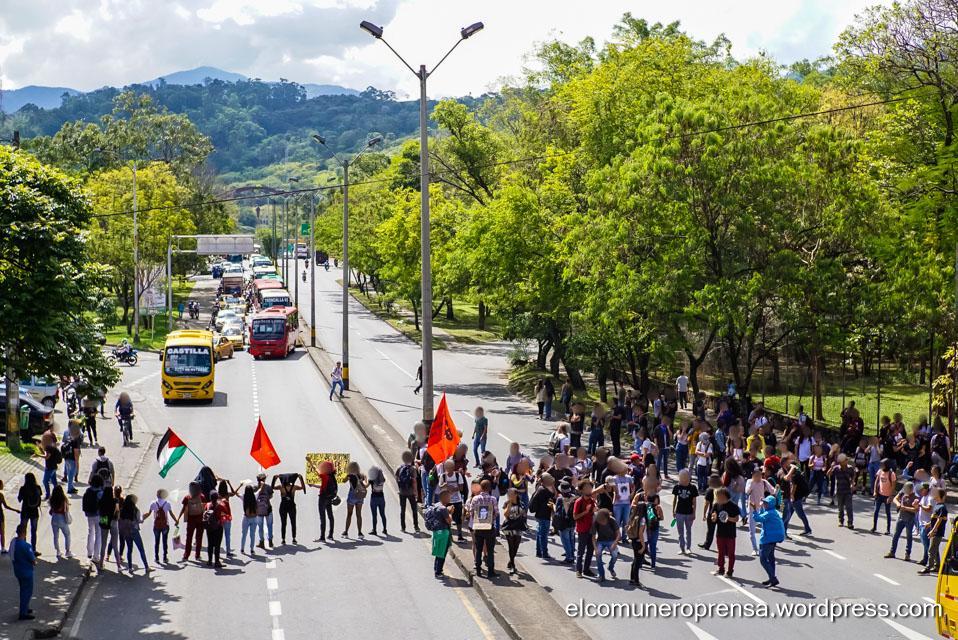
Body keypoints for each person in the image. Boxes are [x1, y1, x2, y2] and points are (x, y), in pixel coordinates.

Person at [753, 495, 785, 587]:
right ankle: (771, 577)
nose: (764, 504)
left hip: (767, 540)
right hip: (773, 539)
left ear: (770, 504)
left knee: (763, 559)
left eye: (766, 503)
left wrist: (754, 510)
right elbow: (763, 515)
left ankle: (773, 578)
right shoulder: (773, 512)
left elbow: (758, 518)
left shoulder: (769, 514)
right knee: (771, 559)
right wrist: (761, 507)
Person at [711, 487, 741, 577]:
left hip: (730, 534)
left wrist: (728, 518)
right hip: (720, 532)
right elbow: (713, 518)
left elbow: (737, 519)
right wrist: (713, 518)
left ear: (723, 496)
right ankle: (721, 569)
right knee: (720, 552)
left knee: (731, 553)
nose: (716, 498)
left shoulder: (733, 506)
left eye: (717, 496)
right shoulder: (716, 505)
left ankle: (730, 571)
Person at [886, 481, 919, 561]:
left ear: (911, 489)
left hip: (909, 519)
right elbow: (895, 499)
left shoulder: (915, 498)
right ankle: (892, 552)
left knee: (909, 537)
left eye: (907, 489)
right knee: (895, 535)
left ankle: (907, 554)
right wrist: (898, 504)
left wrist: (905, 508)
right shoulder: (903, 494)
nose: (906, 491)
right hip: (900, 517)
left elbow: (916, 510)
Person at [920, 488, 948, 575]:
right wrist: (929, 524)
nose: (933, 494)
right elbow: (935, 519)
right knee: (934, 549)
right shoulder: (937, 505)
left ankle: (928, 567)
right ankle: (937, 566)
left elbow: (939, 520)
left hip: (937, 532)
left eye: (935, 493)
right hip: (934, 531)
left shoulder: (942, 507)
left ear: (940, 496)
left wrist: (933, 530)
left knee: (931, 550)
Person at [118, 494, 149, 573]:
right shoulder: (136, 510)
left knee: (129, 550)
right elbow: (139, 521)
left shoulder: (122, 510)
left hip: (126, 531)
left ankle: (130, 568)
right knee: (141, 549)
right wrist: (143, 517)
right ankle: (146, 567)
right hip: (134, 531)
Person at [145, 489, 177, 564]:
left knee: (157, 542)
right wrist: (176, 520)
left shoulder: (153, 503)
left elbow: (149, 513)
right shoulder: (167, 503)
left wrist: (142, 518)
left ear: (157, 495)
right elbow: (171, 514)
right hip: (165, 525)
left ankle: (157, 558)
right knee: (165, 541)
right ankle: (165, 557)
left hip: (156, 526)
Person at [12, 524, 36, 620]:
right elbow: (33, 560)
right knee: (27, 591)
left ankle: (25, 607)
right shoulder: (26, 546)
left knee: (23, 590)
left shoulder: (14, 543)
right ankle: (23, 612)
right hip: (26, 572)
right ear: (24, 533)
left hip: (17, 570)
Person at [272, 473, 304, 545]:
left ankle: (283, 539)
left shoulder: (281, 487)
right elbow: (302, 487)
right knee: (293, 522)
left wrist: (275, 478)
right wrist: (300, 478)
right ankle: (294, 538)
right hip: (292, 506)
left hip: (283, 506)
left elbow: (273, 487)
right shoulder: (294, 487)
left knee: (283, 523)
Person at [529, 473, 556, 560]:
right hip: (544, 515)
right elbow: (554, 495)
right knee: (543, 534)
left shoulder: (541, 488)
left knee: (540, 533)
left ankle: (539, 552)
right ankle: (544, 552)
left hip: (540, 514)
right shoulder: (544, 491)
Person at [573, 479, 596, 578]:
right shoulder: (578, 501)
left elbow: (594, 513)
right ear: (582, 490)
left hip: (591, 529)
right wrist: (586, 512)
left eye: (590, 488)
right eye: (587, 488)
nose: (589, 490)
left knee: (590, 551)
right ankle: (578, 570)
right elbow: (575, 517)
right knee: (581, 551)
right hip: (582, 529)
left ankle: (586, 570)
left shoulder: (592, 501)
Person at [672, 469, 698, 555]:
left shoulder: (693, 488)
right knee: (680, 532)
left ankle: (688, 548)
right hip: (679, 512)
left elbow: (694, 501)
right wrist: (673, 510)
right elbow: (675, 499)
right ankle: (682, 548)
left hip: (689, 512)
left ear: (688, 478)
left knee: (688, 531)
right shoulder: (677, 487)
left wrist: (694, 513)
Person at [428, 490, 454, 578]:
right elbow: (449, 521)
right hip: (443, 533)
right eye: (449, 497)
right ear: (445, 498)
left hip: (436, 532)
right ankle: (438, 572)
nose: (450, 499)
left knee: (438, 552)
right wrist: (450, 513)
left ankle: (436, 569)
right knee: (442, 553)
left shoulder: (436, 505)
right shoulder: (443, 509)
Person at [178, 481, 206, 562]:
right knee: (199, 538)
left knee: (189, 538)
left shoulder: (187, 498)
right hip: (200, 520)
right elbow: (205, 507)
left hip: (191, 521)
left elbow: (183, 509)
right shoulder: (202, 497)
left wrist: (178, 518)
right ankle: (197, 555)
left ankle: (186, 555)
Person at [501, 487, 527, 574]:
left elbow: (524, 514)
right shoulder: (507, 503)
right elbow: (506, 515)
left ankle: (511, 560)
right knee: (511, 546)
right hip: (509, 526)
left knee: (516, 545)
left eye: (511, 494)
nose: (509, 496)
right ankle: (513, 565)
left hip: (518, 526)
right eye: (508, 495)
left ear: (516, 494)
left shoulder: (521, 503)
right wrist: (509, 504)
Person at [438, 459, 465, 541]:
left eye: (450, 467)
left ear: (453, 467)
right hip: (447, 501)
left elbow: (461, 487)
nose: (449, 469)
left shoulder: (457, 475)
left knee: (458, 518)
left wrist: (454, 489)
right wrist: (444, 485)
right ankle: (449, 535)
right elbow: (440, 487)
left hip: (457, 500)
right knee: (447, 519)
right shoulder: (443, 476)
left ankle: (460, 535)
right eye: (447, 467)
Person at [98, 485, 123, 572]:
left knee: (103, 544)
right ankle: (119, 566)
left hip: (104, 520)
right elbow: (117, 511)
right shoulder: (115, 500)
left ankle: (101, 564)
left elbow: (99, 511)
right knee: (115, 545)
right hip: (113, 521)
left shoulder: (101, 501)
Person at [828, 453, 856, 529]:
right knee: (840, 508)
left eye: (846, 460)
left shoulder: (850, 468)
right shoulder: (836, 468)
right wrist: (831, 467)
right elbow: (828, 474)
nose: (846, 461)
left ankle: (850, 522)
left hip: (848, 491)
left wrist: (852, 484)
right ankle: (841, 521)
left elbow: (853, 476)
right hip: (839, 491)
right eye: (844, 460)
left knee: (849, 507)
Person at [592, 507, 620, 582]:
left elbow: (618, 534)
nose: (601, 522)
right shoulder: (596, 521)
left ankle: (610, 567)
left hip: (612, 540)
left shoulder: (612, 520)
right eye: (600, 521)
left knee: (615, 555)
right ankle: (601, 575)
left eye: (603, 521)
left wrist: (615, 543)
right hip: (601, 540)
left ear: (607, 518)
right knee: (598, 555)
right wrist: (595, 549)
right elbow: (593, 537)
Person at [394, 452, 420, 533]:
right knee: (414, 510)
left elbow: (396, 477)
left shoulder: (399, 467)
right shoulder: (412, 469)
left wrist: (400, 487)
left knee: (403, 510)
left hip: (402, 492)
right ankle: (416, 526)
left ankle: (403, 527)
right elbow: (414, 481)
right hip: (411, 492)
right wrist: (416, 492)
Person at [313, 461, 338, 542]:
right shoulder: (332, 477)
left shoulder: (324, 476)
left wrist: (310, 462)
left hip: (322, 499)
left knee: (322, 517)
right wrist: (313, 485)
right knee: (330, 516)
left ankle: (322, 537)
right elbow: (323, 486)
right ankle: (330, 535)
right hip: (329, 498)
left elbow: (316, 471)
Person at [17, 473, 41, 553]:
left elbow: (19, 499)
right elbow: (39, 497)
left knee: (23, 530)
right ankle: (33, 549)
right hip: (34, 512)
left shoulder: (23, 488)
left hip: (25, 511)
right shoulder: (37, 487)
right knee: (34, 531)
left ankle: (24, 548)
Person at [342, 461, 367, 538]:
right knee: (359, 514)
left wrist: (347, 474)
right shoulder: (362, 475)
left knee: (349, 514)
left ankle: (346, 532)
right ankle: (360, 533)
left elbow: (343, 481)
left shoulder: (350, 475)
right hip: (360, 496)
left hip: (352, 495)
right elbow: (365, 483)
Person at [872, 458, 896, 534]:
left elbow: (893, 486)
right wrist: (875, 491)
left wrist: (891, 496)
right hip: (879, 495)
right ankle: (874, 527)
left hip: (887, 496)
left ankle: (888, 529)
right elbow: (876, 481)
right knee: (876, 511)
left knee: (887, 513)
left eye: (882, 465)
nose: (881, 466)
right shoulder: (880, 471)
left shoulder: (891, 474)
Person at [82, 475, 103, 561]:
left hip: (89, 514)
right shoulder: (100, 493)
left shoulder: (88, 490)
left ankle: (89, 552)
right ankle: (96, 556)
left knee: (90, 531)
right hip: (98, 515)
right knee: (99, 534)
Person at [203, 491, 226, 568]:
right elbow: (225, 513)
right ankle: (217, 562)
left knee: (210, 544)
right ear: (217, 497)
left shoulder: (207, 505)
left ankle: (209, 561)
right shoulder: (220, 505)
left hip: (209, 527)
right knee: (217, 545)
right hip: (218, 527)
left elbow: (204, 513)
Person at [699, 474, 721, 551]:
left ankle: (707, 544)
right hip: (721, 513)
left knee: (710, 530)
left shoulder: (710, 490)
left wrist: (704, 514)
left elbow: (706, 503)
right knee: (721, 532)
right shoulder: (722, 489)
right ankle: (722, 547)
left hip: (712, 512)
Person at [255, 474, 275, 548]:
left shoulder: (255, 488)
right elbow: (271, 496)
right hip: (268, 508)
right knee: (269, 525)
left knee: (260, 526)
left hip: (258, 510)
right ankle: (270, 541)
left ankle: (261, 542)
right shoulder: (268, 487)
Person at [368, 465, 388, 536]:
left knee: (374, 515)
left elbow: (366, 485)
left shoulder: (371, 480)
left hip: (374, 498)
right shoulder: (382, 480)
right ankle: (385, 529)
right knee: (382, 514)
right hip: (381, 497)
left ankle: (374, 530)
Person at [60, 429, 80, 495]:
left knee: (69, 473)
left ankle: (71, 487)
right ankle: (69, 489)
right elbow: (76, 452)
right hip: (72, 459)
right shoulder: (75, 441)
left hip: (67, 458)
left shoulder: (68, 439)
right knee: (71, 474)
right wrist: (76, 462)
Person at [240, 486, 259, 554]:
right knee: (252, 535)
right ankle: (252, 549)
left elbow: (235, 493)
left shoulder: (244, 497)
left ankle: (242, 549)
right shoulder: (255, 496)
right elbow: (260, 490)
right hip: (254, 518)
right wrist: (262, 484)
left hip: (246, 518)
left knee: (244, 534)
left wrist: (240, 485)